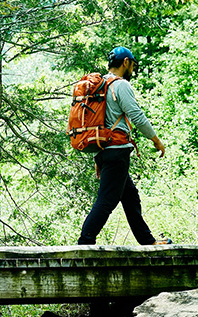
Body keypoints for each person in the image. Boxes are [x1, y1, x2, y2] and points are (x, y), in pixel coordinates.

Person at [77, 46, 170, 246]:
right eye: (133, 66)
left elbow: (100, 123)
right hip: (117, 152)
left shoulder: (101, 84)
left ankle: (147, 241)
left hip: (105, 151)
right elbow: (137, 115)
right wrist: (156, 140)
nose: (133, 71)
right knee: (107, 201)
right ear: (126, 62)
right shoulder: (120, 86)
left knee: (130, 198)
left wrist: (98, 157)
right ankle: (84, 243)